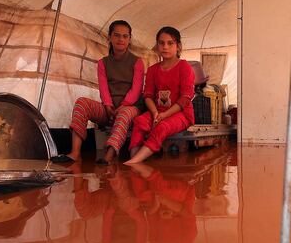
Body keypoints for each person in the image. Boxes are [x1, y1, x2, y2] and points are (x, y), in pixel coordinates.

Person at [52, 20, 144, 164]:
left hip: (130, 109)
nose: (121, 39)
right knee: (82, 103)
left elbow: (136, 90)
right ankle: (75, 152)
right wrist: (108, 107)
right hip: (109, 110)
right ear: (110, 37)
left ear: (129, 39)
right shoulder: (103, 63)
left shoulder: (137, 62)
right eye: (117, 35)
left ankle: (109, 154)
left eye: (125, 36)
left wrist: (122, 107)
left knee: (124, 113)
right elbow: (103, 88)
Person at [124, 27, 194, 164]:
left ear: (178, 46)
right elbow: (148, 95)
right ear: (157, 45)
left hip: (181, 114)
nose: (165, 47)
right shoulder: (152, 70)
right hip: (157, 112)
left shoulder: (185, 67)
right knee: (140, 122)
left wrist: (164, 115)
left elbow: (186, 98)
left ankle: (134, 162)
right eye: (161, 43)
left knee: (162, 126)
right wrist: (155, 112)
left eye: (170, 43)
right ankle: (134, 156)